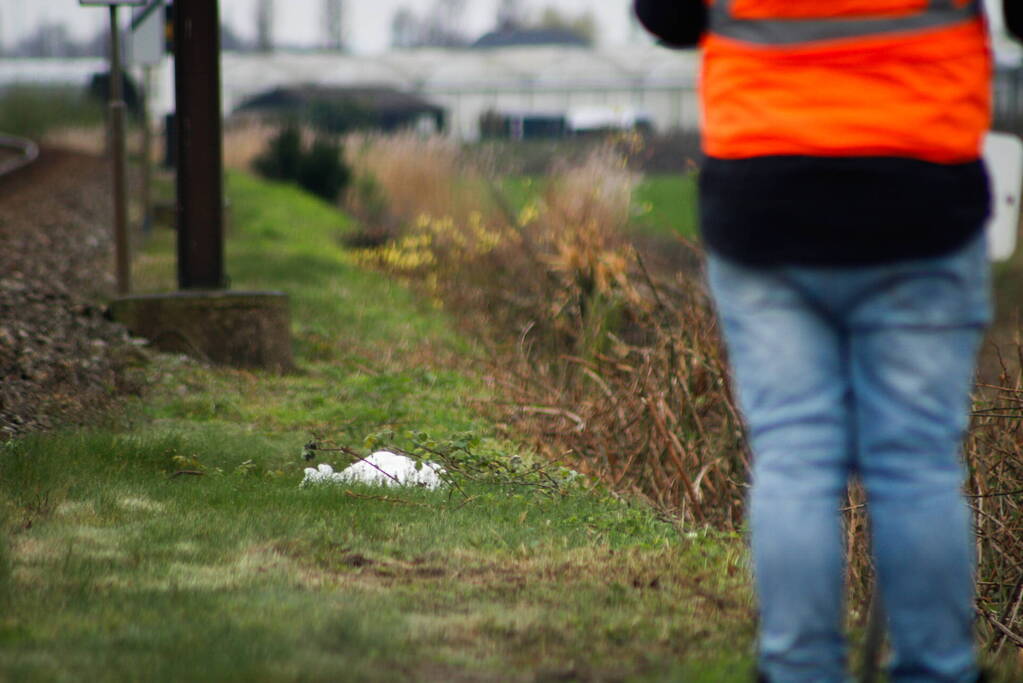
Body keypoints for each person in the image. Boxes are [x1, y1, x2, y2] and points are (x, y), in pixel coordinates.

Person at [633, 1, 1023, 681]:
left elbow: (665, 15)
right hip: (919, 191)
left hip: (766, 196)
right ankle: (935, 666)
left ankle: (798, 667)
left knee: (792, 454)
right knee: (916, 461)